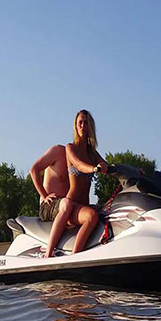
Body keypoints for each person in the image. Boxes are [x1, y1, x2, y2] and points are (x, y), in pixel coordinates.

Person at [44, 109, 108, 258]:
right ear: (75, 126)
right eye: (80, 122)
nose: (83, 126)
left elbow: (109, 166)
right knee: (92, 216)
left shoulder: (92, 153)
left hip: (83, 205)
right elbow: (79, 165)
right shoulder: (70, 148)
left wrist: (133, 171)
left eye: (86, 123)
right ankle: (72, 257)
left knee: (109, 210)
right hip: (72, 206)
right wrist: (93, 168)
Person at [30, 144, 75, 257]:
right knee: (67, 203)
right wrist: (44, 195)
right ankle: (48, 253)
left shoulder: (78, 159)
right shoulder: (58, 151)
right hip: (49, 205)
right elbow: (34, 169)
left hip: (66, 206)